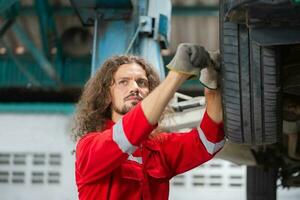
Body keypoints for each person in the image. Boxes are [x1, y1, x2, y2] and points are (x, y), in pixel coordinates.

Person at [73, 43, 225, 200]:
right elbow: (127, 134)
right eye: (123, 82)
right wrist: (177, 74)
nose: (135, 88)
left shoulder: (159, 147)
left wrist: (213, 86)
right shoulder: (89, 148)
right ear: (106, 96)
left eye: (142, 82)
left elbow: (208, 142)